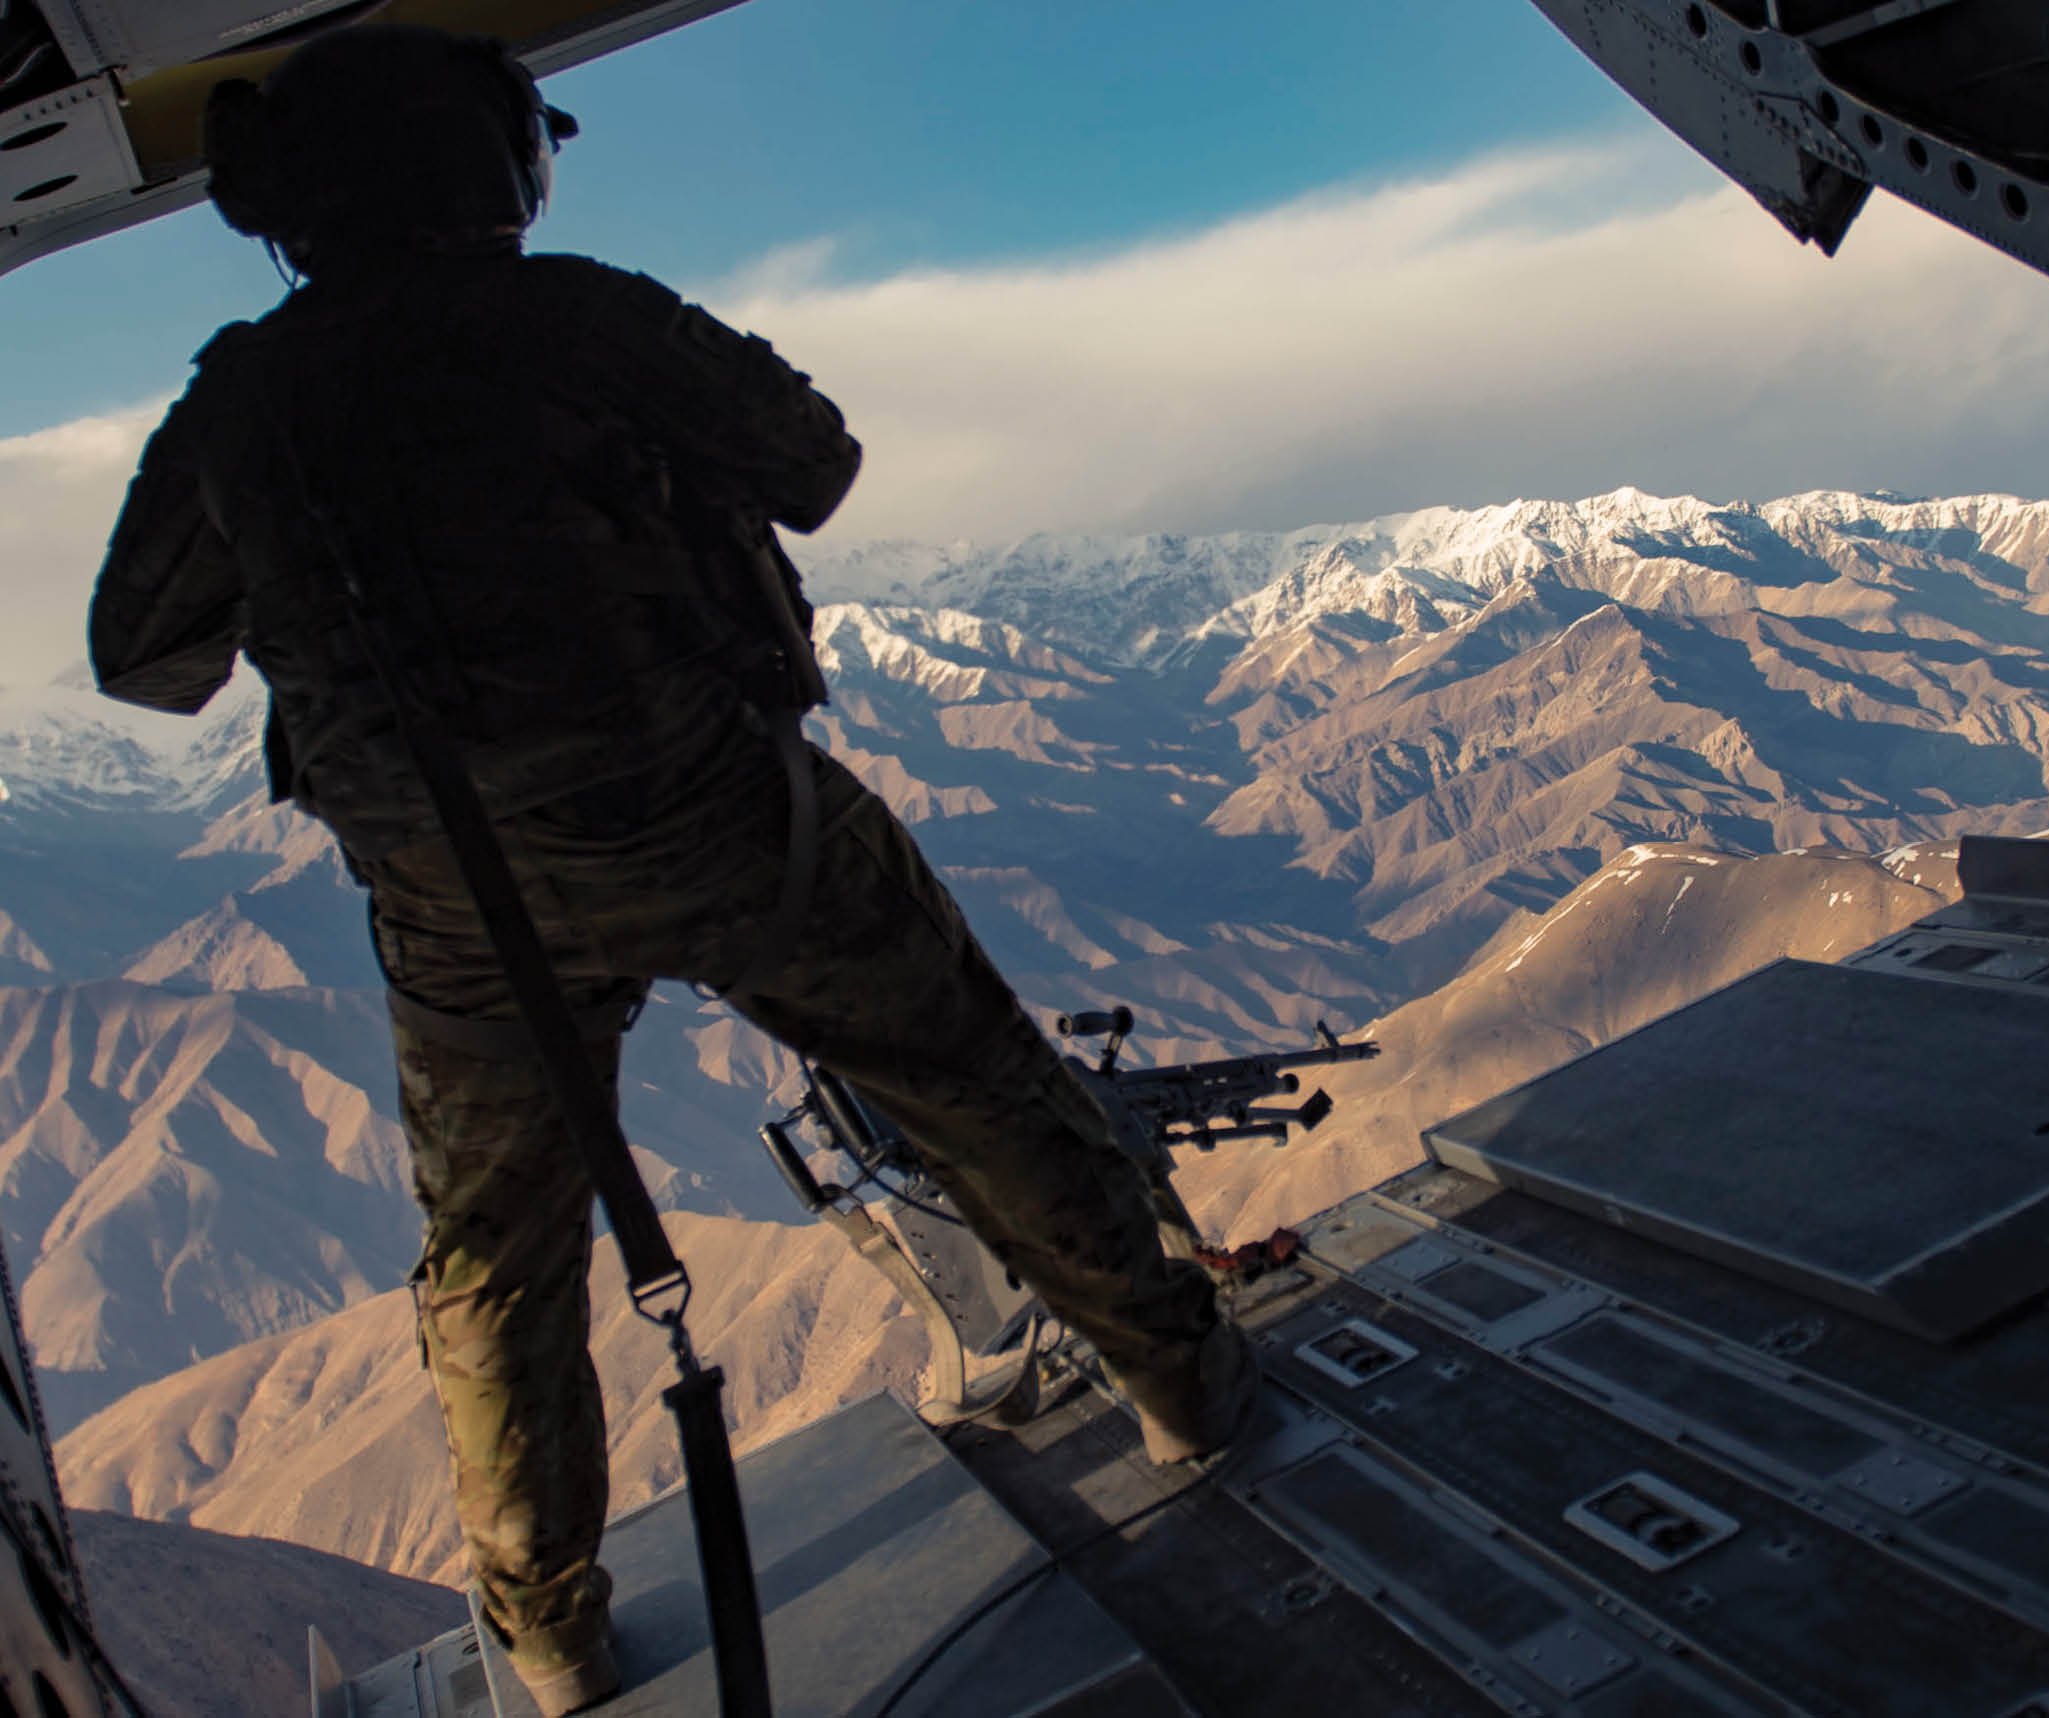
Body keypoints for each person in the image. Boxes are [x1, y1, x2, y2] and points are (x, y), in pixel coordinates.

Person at [88, 26, 1253, 1716]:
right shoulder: (583, 317)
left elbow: (144, 653)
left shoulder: (241, 404)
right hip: (731, 830)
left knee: (494, 1262)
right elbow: (817, 460)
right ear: (490, 165)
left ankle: (549, 1634)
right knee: (970, 1077)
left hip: (463, 917)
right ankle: (1178, 1379)